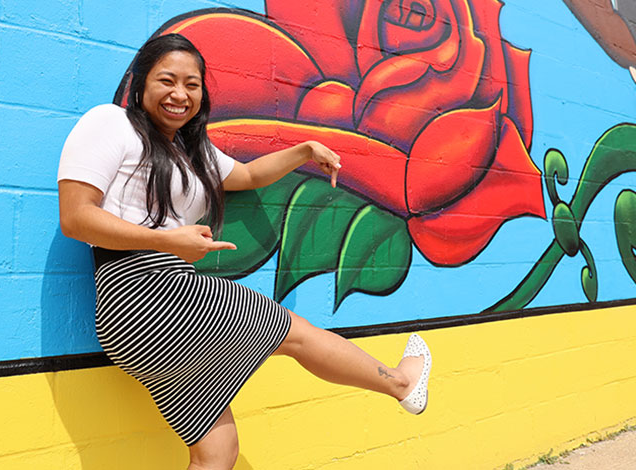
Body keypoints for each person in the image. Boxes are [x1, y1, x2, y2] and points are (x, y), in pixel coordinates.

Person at [57, 33, 431, 470]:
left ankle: (402, 385)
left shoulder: (189, 153)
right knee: (295, 332)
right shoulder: (110, 123)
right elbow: (75, 217)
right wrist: (165, 240)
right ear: (140, 85)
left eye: (192, 85)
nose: (180, 94)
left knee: (216, 452)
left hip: (136, 319)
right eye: (167, 80)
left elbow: (250, 175)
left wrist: (306, 150)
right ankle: (403, 384)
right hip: (149, 293)